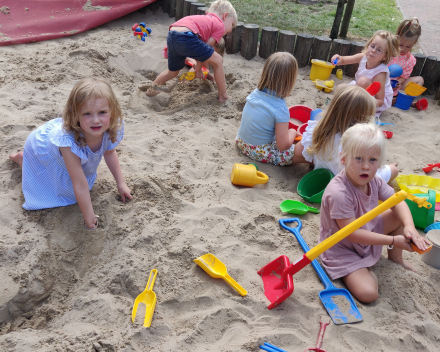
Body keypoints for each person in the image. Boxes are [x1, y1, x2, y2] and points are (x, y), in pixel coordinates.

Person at [318, 123, 430, 303]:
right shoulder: (339, 192)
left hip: (368, 231)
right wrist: (393, 240)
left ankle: (395, 258)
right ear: (343, 159)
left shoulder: (374, 181)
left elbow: (397, 202)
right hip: (342, 248)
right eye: (358, 159)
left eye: (372, 160)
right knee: (369, 294)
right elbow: (351, 233)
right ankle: (364, 267)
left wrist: (410, 227)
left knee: (400, 215)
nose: (365, 167)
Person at [9, 77, 132, 230]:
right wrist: (89, 216)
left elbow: (109, 153)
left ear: (112, 113)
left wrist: (121, 183)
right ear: (76, 115)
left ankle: (26, 160)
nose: (95, 120)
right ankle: (24, 159)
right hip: (41, 149)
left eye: (102, 112)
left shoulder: (111, 128)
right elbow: (79, 184)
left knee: (82, 180)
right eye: (87, 114)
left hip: (64, 157)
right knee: (70, 194)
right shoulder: (68, 142)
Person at [292, 85, 399, 182]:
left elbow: (297, 151)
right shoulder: (358, 143)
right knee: (393, 170)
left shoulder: (318, 129)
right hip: (346, 184)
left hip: (321, 177)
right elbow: (362, 174)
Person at [147, 0, 237, 102]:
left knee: (172, 72)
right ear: (225, 16)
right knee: (218, 60)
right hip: (186, 36)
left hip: (172, 35)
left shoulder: (205, 20)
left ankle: (150, 91)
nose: (230, 30)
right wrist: (198, 70)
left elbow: (202, 50)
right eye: (232, 24)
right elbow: (206, 48)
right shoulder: (220, 25)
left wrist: (200, 69)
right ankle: (223, 96)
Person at [235, 52, 301, 166]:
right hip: (259, 152)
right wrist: (293, 131)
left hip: (241, 143)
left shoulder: (255, 94)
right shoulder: (280, 109)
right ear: (290, 82)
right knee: (302, 153)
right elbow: (283, 145)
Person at [331, 30, 399, 119]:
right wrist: (338, 58)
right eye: (372, 46)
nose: (373, 51)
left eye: (379, 50)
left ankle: (358, 108)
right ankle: (353, 103)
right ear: (368, 45)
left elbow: (380, 101)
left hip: (371, 99)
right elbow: (344, 60)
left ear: (385, 56)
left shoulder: (380, 74)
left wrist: (360, 102)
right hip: (360, 88)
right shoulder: (363, 57)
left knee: (363, 81)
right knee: (340, 88)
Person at [388, 18, 424, 103]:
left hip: (395, 84)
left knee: (420, 80)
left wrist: (399, 82)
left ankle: (404, 100)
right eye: (401, 45)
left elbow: (404, 76)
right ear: (397, 37)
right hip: (381, 80)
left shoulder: (410, 60)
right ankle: (390, 99)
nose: (403, 49)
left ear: (413, 45)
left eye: (408, 47)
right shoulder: (388, 50)